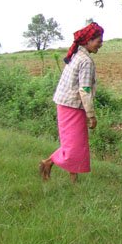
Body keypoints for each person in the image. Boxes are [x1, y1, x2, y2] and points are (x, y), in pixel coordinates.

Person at [39, 22, 104, 183]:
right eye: (98, 40)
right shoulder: (86, 61)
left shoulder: (77, 55)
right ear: (88, 41)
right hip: (72, 106)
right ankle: (48, 164)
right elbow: (85, 90)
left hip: (64, 103)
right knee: (74, 146)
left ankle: (68, 177)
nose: (100, 44)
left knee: (74, 143)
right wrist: (91, 115)